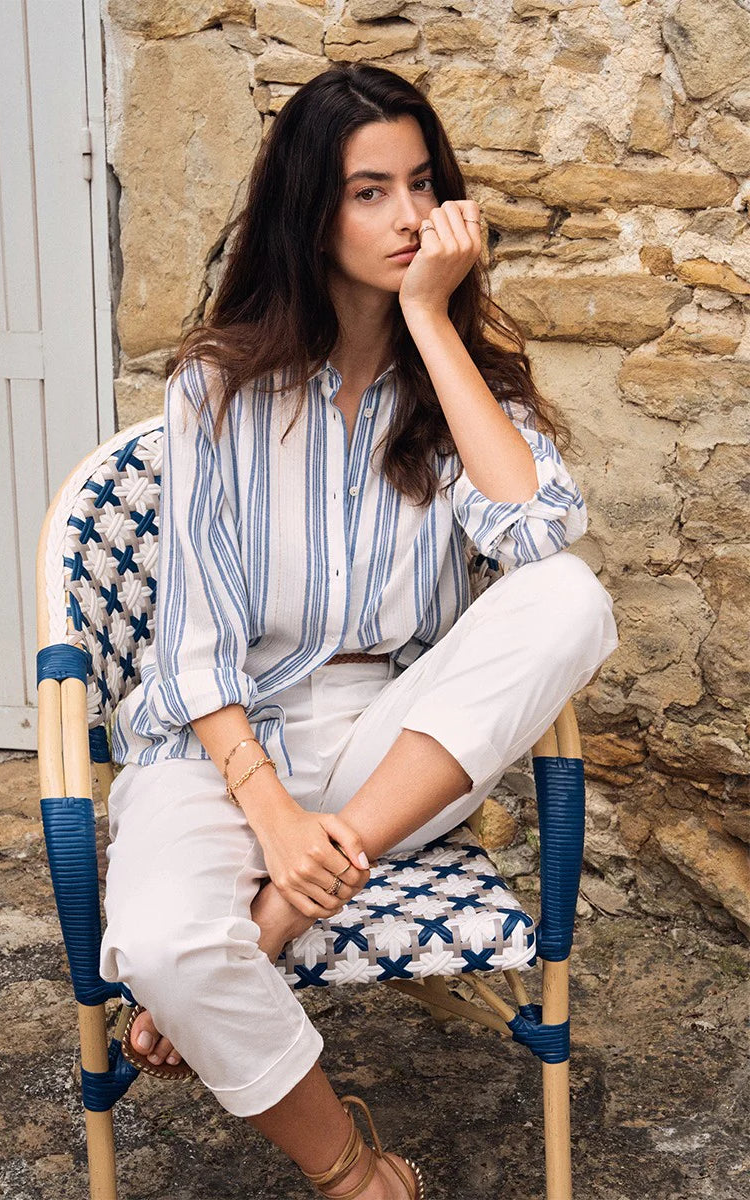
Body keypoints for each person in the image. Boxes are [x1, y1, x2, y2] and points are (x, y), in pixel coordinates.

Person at [99, 62, 619, 1199]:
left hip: (394, 747)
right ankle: (354, 1173)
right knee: (167, 944)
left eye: (421, 185)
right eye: (369, 192)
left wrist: (431, 319)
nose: (407, 217)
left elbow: (538, 532)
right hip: (222, 742)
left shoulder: (461, 386)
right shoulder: (216, 389)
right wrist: (272, 814)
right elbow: (193, 641)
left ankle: (281, 910)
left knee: (572, 595)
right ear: (309, 210)